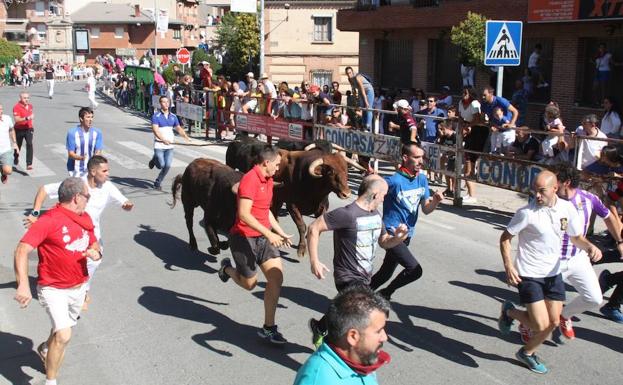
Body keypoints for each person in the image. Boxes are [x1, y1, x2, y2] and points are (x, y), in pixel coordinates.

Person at [498, 170, 601, 374]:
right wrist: (509, 266)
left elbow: (575, 236)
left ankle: (526, 353)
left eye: (542, 191)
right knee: (540, 325)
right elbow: (505, 238)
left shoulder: (567, 209)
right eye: (534, 191)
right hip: (529, 274)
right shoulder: (526, 213)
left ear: (555, 188)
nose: (537, 195)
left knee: (553, 322)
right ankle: (510, 312)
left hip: (553, 274)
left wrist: (589, 246)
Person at [517, 165, 623, 343]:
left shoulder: (589, 199)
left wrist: (619, 241)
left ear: (565, 182)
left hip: (577, 258)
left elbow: (608, 216)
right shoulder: (546, 200)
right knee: (541, 305)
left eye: (555, 180)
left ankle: (565, 316)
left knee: (594, 298)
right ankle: (526, 323)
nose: (551, 185)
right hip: (552, 261)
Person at [14, 177, 102, 385]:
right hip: (53, 288)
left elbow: (94, 244)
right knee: (64, 335)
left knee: (60, 331)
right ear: (76, 198)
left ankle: (46, 348)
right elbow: (21, 250)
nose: (88, 200)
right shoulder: (49, 221)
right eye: (87, 196)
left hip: (78, 286)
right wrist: (24, 285)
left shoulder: (84, 217)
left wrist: (95, 253)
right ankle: (51, 381)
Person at [306, 175, 409, 348]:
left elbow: (384, 241)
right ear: (375, 194)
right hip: (347, 276)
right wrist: (314, 260)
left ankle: (321, 327)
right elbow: (313, 228)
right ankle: (336, 350)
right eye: (384, 195)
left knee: (347, 311)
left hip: (364, 277)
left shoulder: (375, 214)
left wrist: (398, 238)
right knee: (362, 318)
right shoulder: (347, 214)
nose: (385, 198)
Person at [25, 155, 133, 307]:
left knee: (94, 262)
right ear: (93, 171)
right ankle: (60, 292)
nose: (108, 173)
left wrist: (127, 204)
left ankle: (82, 290)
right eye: (105, 170)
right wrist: (35, 213)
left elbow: (123, 202)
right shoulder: (75, 185)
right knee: (67, 264)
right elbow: (44, 189)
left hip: (92, 235)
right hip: (69, 235)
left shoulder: (108, 187)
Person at [218, 146, 293, 345]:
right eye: (276, 164)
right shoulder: (250, 180)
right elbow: (244, 214)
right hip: (243, 238)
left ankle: (269, 328)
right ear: (266, 162)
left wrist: (279, 231)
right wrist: (269, 232)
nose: (278, 168)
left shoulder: (268, 180)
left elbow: (265, 209)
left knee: (276, 278)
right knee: (249, 284)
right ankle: (226, 269)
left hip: (263, 238)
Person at [370, 143, 443, 300]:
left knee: (385, 273)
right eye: (416, 157)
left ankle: (354, 297)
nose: (420, 161)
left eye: (422, 157)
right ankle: (385, 294)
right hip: (391, 233)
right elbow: (372, 195)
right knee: (415, 269)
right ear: (405, 158)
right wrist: (373, 181)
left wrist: (435, 201)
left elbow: (426, 209)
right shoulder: (394, 181)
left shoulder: (422, 179)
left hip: (406, 234)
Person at [293, 286, 391, 385]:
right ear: (353, 336)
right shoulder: (319, 380)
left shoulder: (362, 358)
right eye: (379, 331)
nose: (385, 337)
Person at [148, 96, 190, 190]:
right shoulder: (156, 116)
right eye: (163, 102)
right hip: (159, 145)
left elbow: (178, 128)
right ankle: (155, 160)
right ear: (160, 104)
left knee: (167, 166)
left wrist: (186, 136)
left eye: (167, 102)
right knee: (161, 165)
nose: (166, 104)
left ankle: (157, 182)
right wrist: (163, 140)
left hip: (170, 146)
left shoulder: (173, 116)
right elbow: (156, 131)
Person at [65, 107, 102, 177]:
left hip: (91, 169)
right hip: (75, 170)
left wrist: (95, 159)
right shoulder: (72, 133)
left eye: (92, 117)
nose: (90, 120)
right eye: (88, 117)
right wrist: (81, 158)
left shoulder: (97, 133)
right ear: (81, 119)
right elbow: (71, 154)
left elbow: (98, 151)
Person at [346, 66, 374, 131]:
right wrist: (355, 100)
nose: (349, 75)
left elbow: (362, 89)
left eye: (350, 73)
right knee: (362, 107)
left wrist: (366, 101)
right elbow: (353, 89)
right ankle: (364, 124)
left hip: (368, 90)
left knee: (368, 107)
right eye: (347, 73)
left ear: (352, 72)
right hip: (360, 91)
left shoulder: (357, 77)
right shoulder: (349, 79)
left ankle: (368, 125)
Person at [12, 91, 34, 170]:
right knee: (18, 146)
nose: (26, 99)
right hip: (19, 129)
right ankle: (15, 157)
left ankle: (29, 164)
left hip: (28, 129)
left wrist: (31, 126)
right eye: (24, 98)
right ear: (20, 98)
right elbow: (17, 120)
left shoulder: (30, 106)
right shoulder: (16, 107)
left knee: (29, 143)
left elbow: (32, 117)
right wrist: (26, 118)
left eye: (28, 98)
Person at [0, 104, 16, 184]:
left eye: (1, 109)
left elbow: (11, 130)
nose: (1, 111)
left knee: (8, 171)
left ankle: (3, 172)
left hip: (5, 150)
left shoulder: (7, 118)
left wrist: (14, 142)